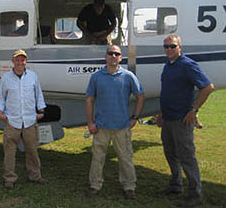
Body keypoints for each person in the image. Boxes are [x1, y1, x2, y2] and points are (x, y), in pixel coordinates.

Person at [157, 34, 214, 207]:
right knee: (170, 152)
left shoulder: (188, 65)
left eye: (172, 46)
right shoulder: (168, 65)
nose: (169, 49)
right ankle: (176, 185)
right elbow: (167, 91)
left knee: (186, 156)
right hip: (167, 118)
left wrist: (194, 110)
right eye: (166, 47)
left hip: (182, 119)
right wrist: (160, 113)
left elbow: (207, 87)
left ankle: (195, 194)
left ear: (180, 47)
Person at [85, 45, 145, 199]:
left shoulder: (128, 76)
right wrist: (90, 122)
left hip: (122, 126)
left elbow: (140, 96)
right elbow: (90, 99)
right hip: (101, 126)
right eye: (110, 53)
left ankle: (129, 186)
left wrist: (135, 117)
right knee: (97, 158)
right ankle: (95, 185)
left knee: (125, 158)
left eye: (116, 54)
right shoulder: (97, 77)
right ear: (105, 56)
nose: (113, 56)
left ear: (120, 58)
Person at [0, 49, 48, 189]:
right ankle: (9, 178)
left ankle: (35, 175)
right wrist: (0, 111)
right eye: (17, 60)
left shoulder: (32, 76)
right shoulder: (6, 78)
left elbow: (38, 94)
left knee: (32, 149)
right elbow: (1, 97)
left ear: (26, 61)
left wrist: (41, 110)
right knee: (10, 151)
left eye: (22, 60)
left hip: (30, 120)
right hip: (12, 120)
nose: (20, 62)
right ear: (13, 61)